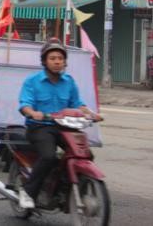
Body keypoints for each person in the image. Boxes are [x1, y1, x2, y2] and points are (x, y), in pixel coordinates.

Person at [17, 38, 101, 209]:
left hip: (65, 127)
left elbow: (77, 103)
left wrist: (91, 114)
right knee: (48, 156)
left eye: (60, 59)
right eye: (53, 58)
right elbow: (25, 104)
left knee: (86, 154)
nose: (57, 62)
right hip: (40, 127)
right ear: (44, 61)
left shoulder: (69, 81)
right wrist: (33, 113)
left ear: (64, 62)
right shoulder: (32, 81)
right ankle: (28, 192)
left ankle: (67, 187)